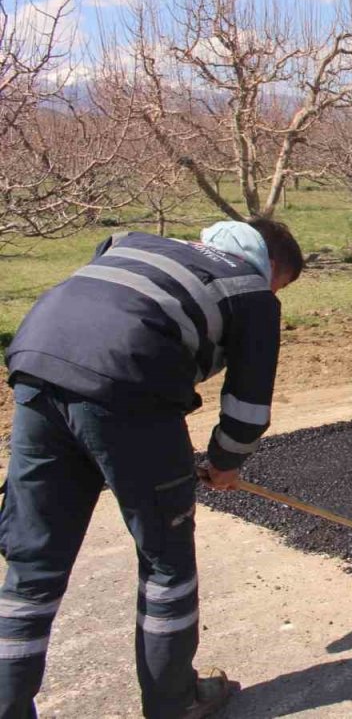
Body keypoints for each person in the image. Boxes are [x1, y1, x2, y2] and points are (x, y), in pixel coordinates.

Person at [0, 217, 304, 718]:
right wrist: (225, 465)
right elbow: (248, 409)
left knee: (34, 561)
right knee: (166, 559)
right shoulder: (252, 292)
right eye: (281, 285)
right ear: (270, 266)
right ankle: (174, 702)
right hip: (128, 387)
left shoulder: (134, 243)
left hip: (36, 367)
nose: (276, 293)